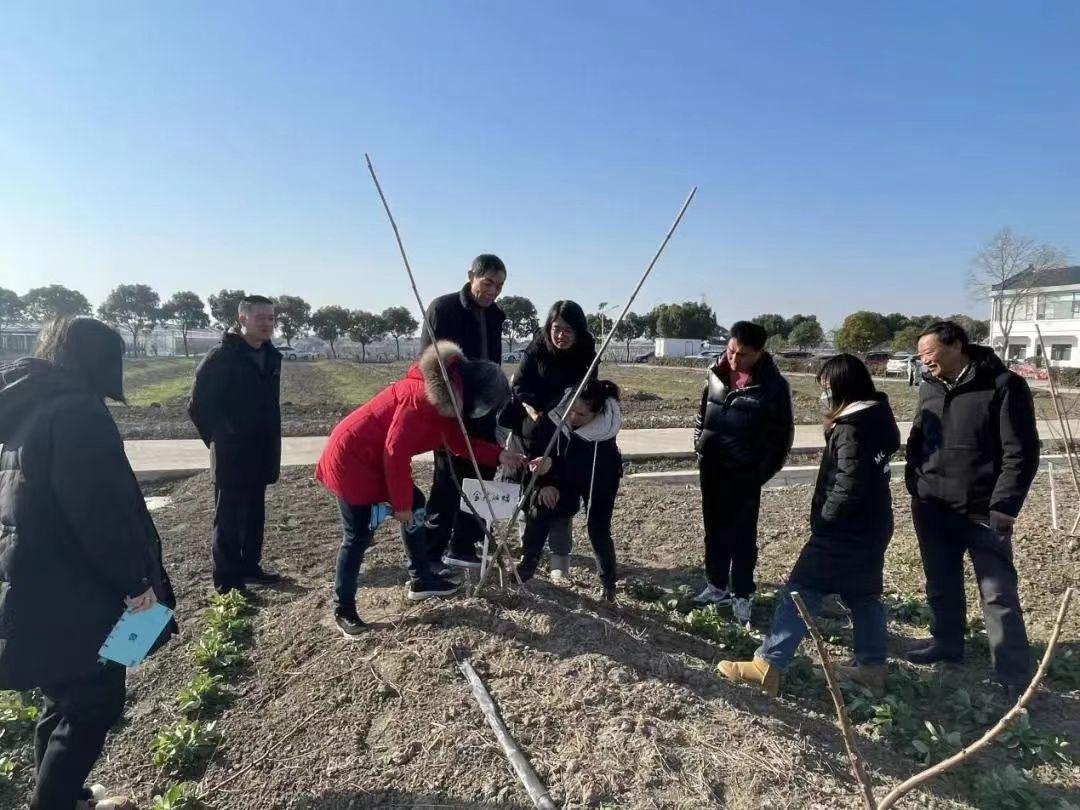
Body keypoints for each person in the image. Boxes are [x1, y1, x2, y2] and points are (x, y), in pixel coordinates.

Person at [0, 318, 176, 810]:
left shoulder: (24, 404)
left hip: (35, 578)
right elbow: (99, 514)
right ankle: (51, 804)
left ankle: (62, 795)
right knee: (96, 702)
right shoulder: (77, 412)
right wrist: (138, 584)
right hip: (79, 588)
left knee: (62, 697)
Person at [315, 341, 527, 637]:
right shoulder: (421, 399)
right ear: (472, 391)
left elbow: (457, 444)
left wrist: (499, 455)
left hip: (378, 460)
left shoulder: (447, 403)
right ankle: (344, 609)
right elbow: (395, 452)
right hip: (353, 459)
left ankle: (421, 579)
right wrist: (399, 505)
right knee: (358, 536)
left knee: (416, 505)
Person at [718, 355, 900, 696]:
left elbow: (848, 483)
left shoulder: (851, 429)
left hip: (844, 531)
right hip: (873, 526)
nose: (823, 396)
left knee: (800, 590)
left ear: (844, 388)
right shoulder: (876, 419)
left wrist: (825, 520)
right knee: (864, 595)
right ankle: (872, 667)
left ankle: (768, 664)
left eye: (827, 389)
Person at [904, 321, 1040, 699]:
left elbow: (1021, 450)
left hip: (984, 509)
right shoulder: (930, 387)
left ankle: (1012, 673)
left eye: (928, 353)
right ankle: (946, 644)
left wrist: (1006, 504)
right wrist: (914, 482)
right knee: (941, 582)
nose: (923, 361)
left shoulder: (1003, 385)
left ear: (957, 346)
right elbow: (918, 437)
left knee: (996, 592)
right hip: (933, 505)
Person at [692, 321, 794, 623]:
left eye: (743, 355)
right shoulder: (717, 372)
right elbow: (703, 413)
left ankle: (742, 594)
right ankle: (716, 585)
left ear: (760, 353)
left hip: (745, 476)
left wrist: (757, 474)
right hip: (712, 469)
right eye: (731, 351)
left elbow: (781, 440)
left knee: (742, 538)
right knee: (714, 531)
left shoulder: (773, 387)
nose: (734, 360)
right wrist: (699, 446)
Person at [189, 295, 283, 595]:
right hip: (232, 453)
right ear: (243, 319)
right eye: (261, 318)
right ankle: (227, 583)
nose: (267, 323)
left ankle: (250, 566)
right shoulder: (221, 357)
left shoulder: (272, 357)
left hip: (262, 450)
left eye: (271, 318)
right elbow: (198, 406)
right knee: (228, 518)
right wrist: (220, 439)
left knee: (255, 513)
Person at [421, 255, 508, 570]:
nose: (493, 291)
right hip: (451, 411)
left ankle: (464, 545)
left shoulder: (496, 315)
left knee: (481, 476)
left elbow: (495, 362)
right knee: (448, 480)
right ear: (471, 275)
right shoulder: (443, 309)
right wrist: (446, 407)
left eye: (499, 286)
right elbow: (429, 363)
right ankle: (431, 551)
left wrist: (496, 405)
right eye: (488, 283)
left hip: (484, 410)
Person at [502, 300, 597, 581]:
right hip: (530, 430)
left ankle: (560, 561)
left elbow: (589, 394)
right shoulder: (537, 348)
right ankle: (527, 554)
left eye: (568, 330)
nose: (561, 335)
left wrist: (569, 415)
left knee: (559, 498)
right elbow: (519, 385)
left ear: (578, 331)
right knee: (529, 493)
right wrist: (533, 410)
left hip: (564, 434)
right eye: (556, 328)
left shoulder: (587, 353)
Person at [515, 380, 623, 600]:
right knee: (541, 506)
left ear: (597, 413)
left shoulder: (605, 429)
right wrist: (545, 482)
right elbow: (540, 448)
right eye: (571, 411)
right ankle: (527, 565)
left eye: (581, 415)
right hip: (559, 475)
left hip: (599, 478)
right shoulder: (556, 413)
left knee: (598, 528)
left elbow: (580, 465)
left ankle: (608, 584)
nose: (573, 417)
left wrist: (552, 466)